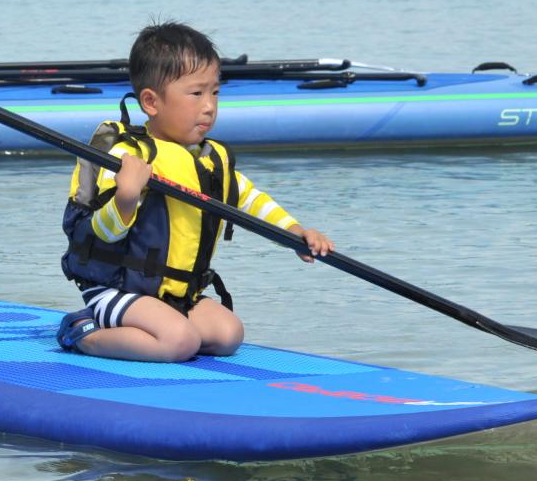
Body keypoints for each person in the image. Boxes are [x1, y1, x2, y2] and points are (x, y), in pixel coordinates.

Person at [56, 21, 332, 361]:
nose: (209, 106)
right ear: (151, 102)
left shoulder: (208, 159)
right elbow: (104, 232)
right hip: (117, 291)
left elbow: (250, 199)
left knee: (229, 334)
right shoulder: (128, 157)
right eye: (196, 94)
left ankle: (162, 327)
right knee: (179, 342)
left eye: (215, 92)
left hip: (177, 294)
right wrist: (127, 197)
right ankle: (84, 333)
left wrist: (295, 232)